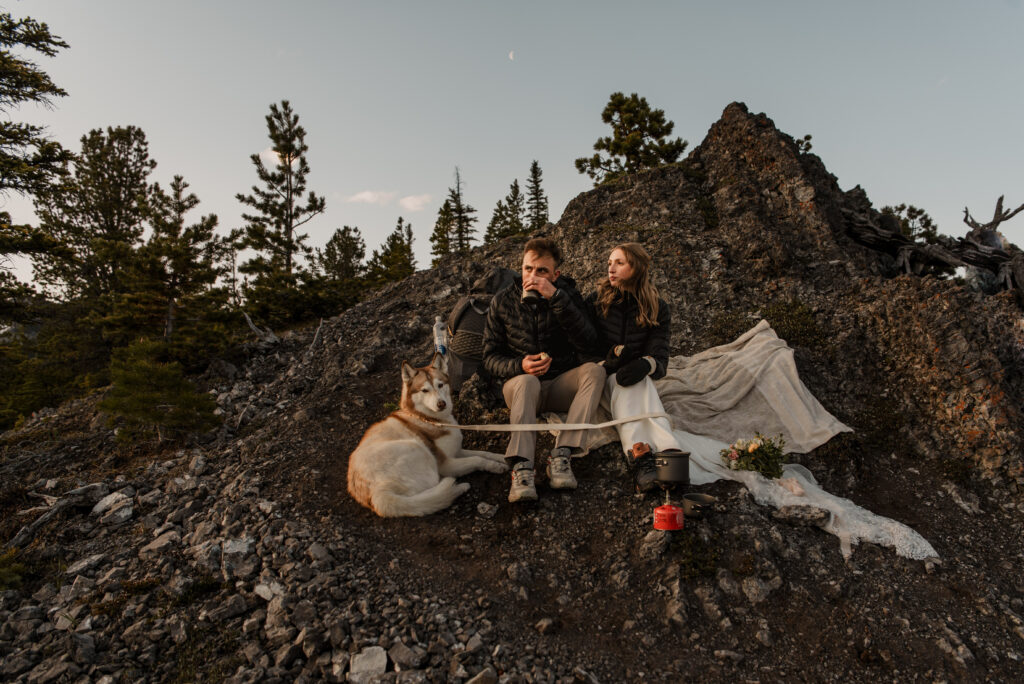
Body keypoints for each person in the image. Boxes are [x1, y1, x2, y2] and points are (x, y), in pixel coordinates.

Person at [483, 238, 605, 502]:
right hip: (520, 389)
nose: (533, 276)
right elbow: (489, 358)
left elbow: (590, 342)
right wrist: (520, 365)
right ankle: (522, 468)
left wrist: (557, 299)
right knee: (527, 382)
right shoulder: (502, 301)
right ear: (521, 268)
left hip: (559, 383)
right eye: (528, 269)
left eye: (542, 271)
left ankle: (562, 454)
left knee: (595, 371)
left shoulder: (568, 296)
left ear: (555, 274)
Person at [590, 242, 685, 493]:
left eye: (619, 263)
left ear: (637, 268)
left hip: (633, 381)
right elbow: (581, 345)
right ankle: (648, 456)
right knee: (625, 382)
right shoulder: (597, 301)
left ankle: (662, 456)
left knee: (637, 380)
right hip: (601, 377)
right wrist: (605, 362)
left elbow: (659, 356)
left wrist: (647, 363)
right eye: (610, 263)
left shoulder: (657, 306)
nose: (611, 269)